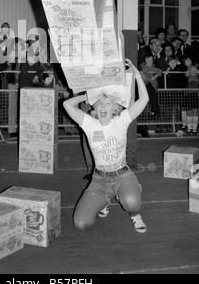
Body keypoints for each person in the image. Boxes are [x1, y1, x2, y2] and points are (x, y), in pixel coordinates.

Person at [63, 59, 149, 234]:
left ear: (115, 109)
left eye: (108, 103)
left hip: (122, 175)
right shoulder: (89, 123)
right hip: (99, 180)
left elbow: (144, 99)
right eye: (100, 104)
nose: (103, 106)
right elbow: (66, 104)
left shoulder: (122, 119)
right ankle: (105, 200)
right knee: (81, 224)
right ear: (94, 109)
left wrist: (137, 73)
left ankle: (135, 213)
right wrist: (88, 97)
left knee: (132, 202)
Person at [139, 54, 163, 118]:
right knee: (152, 97)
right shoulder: (142, 66)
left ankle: (154, 111)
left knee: (152, 97)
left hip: (151, 84)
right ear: (145, 60)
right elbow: (143, 71)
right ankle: (155, 111)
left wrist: (155, 76)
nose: (150, 61)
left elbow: (160, 71)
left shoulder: (153, 67)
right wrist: (151, 69)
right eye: (148, 60)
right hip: (145, 84)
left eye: (151, 60)